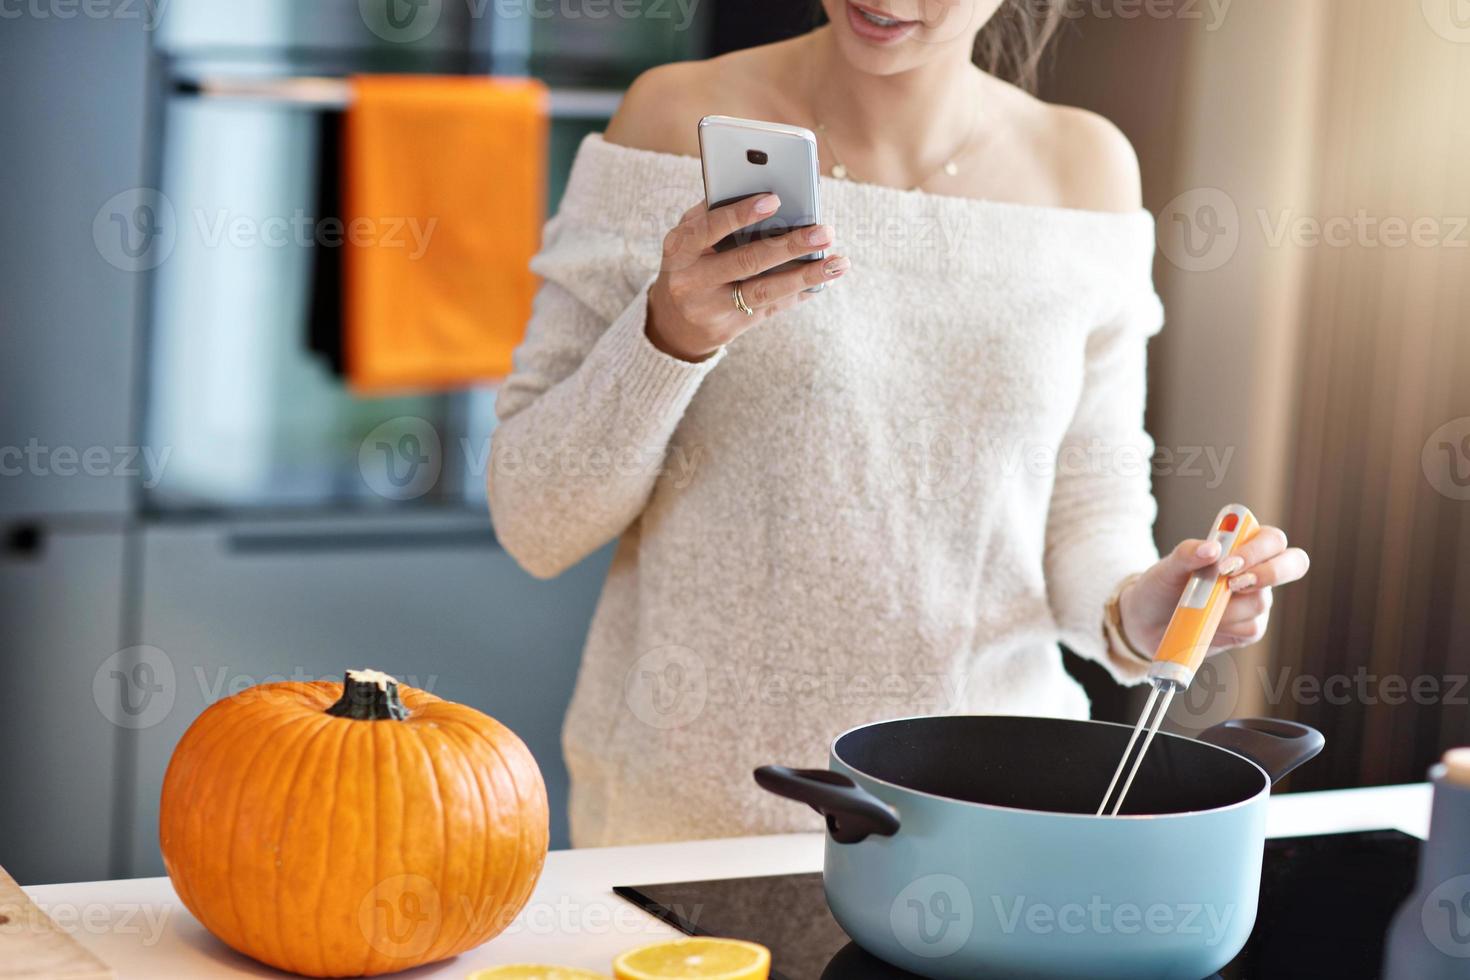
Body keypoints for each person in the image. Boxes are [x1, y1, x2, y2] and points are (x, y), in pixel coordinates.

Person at [488, 0, 1311, 847]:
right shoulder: (669, 123)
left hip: (990, 820)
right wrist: (671, 333)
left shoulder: (1086, 168)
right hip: (693, 832)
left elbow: (1091, 507)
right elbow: (534, 518)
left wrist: (1144, 612)